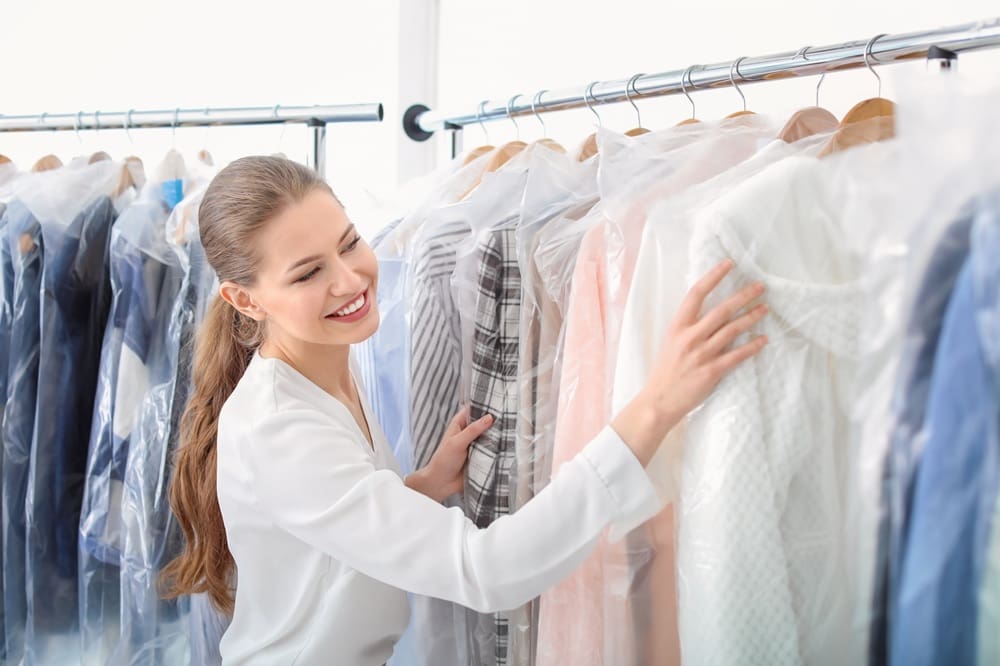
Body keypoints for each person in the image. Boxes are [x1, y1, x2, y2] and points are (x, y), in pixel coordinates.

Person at [160, 156, 768, 665]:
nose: (350, 280)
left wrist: (417, 489)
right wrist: (654, 406)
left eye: (349, 243)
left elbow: (330, 539)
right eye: (309, 273)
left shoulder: (321, 366)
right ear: (245, 299)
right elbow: (486, 569)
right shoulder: (279, 426)